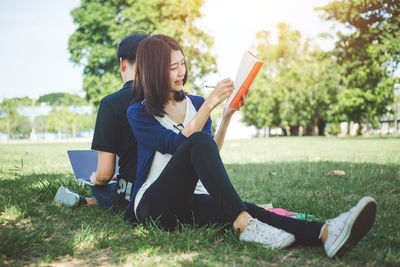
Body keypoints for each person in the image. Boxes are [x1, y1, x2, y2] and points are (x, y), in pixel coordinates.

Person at [125, 34, 377, 257]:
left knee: (247, 209)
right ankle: (243, 225)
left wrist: (225, 116)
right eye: (172, 67)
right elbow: (177, 144)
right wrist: (210, 104)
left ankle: (325, 233)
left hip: (189, 202)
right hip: (153, 205)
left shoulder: (196, 103)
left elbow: (208, 153)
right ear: (155, 70)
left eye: (183, 63)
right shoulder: (139, 112)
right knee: (199, 143)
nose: (181, 72)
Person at [54, 33, 149, 212]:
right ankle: (88, 201)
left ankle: (86, 200)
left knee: (102, 184)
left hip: (133, 196)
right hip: (167, 187)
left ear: (122, 63)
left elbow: (105, 174)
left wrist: (94, 178)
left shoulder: (111, 103)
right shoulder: (169, 98)